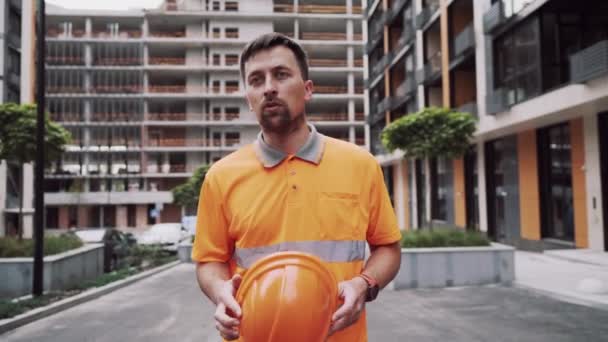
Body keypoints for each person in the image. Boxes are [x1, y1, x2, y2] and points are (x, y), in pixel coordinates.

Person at [192, 32, 402, 342]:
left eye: (281, 74)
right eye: (256, 80)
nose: (269, 88)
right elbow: (209, 260)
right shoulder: (221, 176)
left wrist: (364, 284)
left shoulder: (360, 165)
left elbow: (388, 247)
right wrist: (220, 291)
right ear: (249, 99)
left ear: (307, 90)